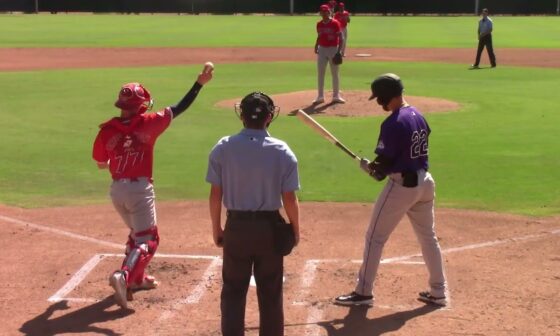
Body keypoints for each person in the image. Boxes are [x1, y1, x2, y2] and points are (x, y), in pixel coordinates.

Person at [92, 64, 213, 309]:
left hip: (117, 192)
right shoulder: (149, 122)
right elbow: (179, 107)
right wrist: (199, 83)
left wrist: (114, 160)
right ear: (141, 105)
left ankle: (137, 279)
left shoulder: (107, 130)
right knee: (149, 239)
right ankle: (124, 276)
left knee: (137, 234)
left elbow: (100, 162)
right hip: (139, 191)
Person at [334, 73, 448, 308]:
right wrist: (376, 165)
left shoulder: (393, 122)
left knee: (375, 238)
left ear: (386, 96)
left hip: (402, 188)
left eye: (379, 98)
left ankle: (363, 292)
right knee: (428, 237)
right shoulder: (418, 115)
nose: (379, 103)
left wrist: (370, 168)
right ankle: (438, 291)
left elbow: (381, 170)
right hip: (425, 183)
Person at [206, 92, 300, 336]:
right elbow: (289, 198)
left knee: (233, 291)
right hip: (270, 231)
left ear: (242, 116)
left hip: (236, 228)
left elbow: (216, 195)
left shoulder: (223, 147)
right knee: (270, 292)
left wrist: (217, 229)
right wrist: (295, 230)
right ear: (270, 117)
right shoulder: (282, 151)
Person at [314, 4, 345, 105]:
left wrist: (339, 51)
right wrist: (316, 45)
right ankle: (320, 96)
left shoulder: (335, 23)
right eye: (322, 12)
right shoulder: (319, 24)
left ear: (329, 12)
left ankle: (336, 96)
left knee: (335, 73)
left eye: (325, 12)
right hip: (322, 49)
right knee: (320, 73)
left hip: (333, 49)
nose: (324, 13)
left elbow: (341, 38)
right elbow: (319, 35)